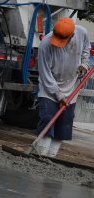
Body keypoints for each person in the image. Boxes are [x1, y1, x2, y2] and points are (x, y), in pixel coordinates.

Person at [35, 17, 90, 157]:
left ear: (72, 36)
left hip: (71, 86)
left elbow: (86, 50)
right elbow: (45, 74)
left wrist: (84, 64)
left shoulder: (82, 33)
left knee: (64, 123)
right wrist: (58, 95)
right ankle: (40, 153)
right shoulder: (45, 45)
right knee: (47, 117)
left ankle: (51, 156)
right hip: (50, 87)